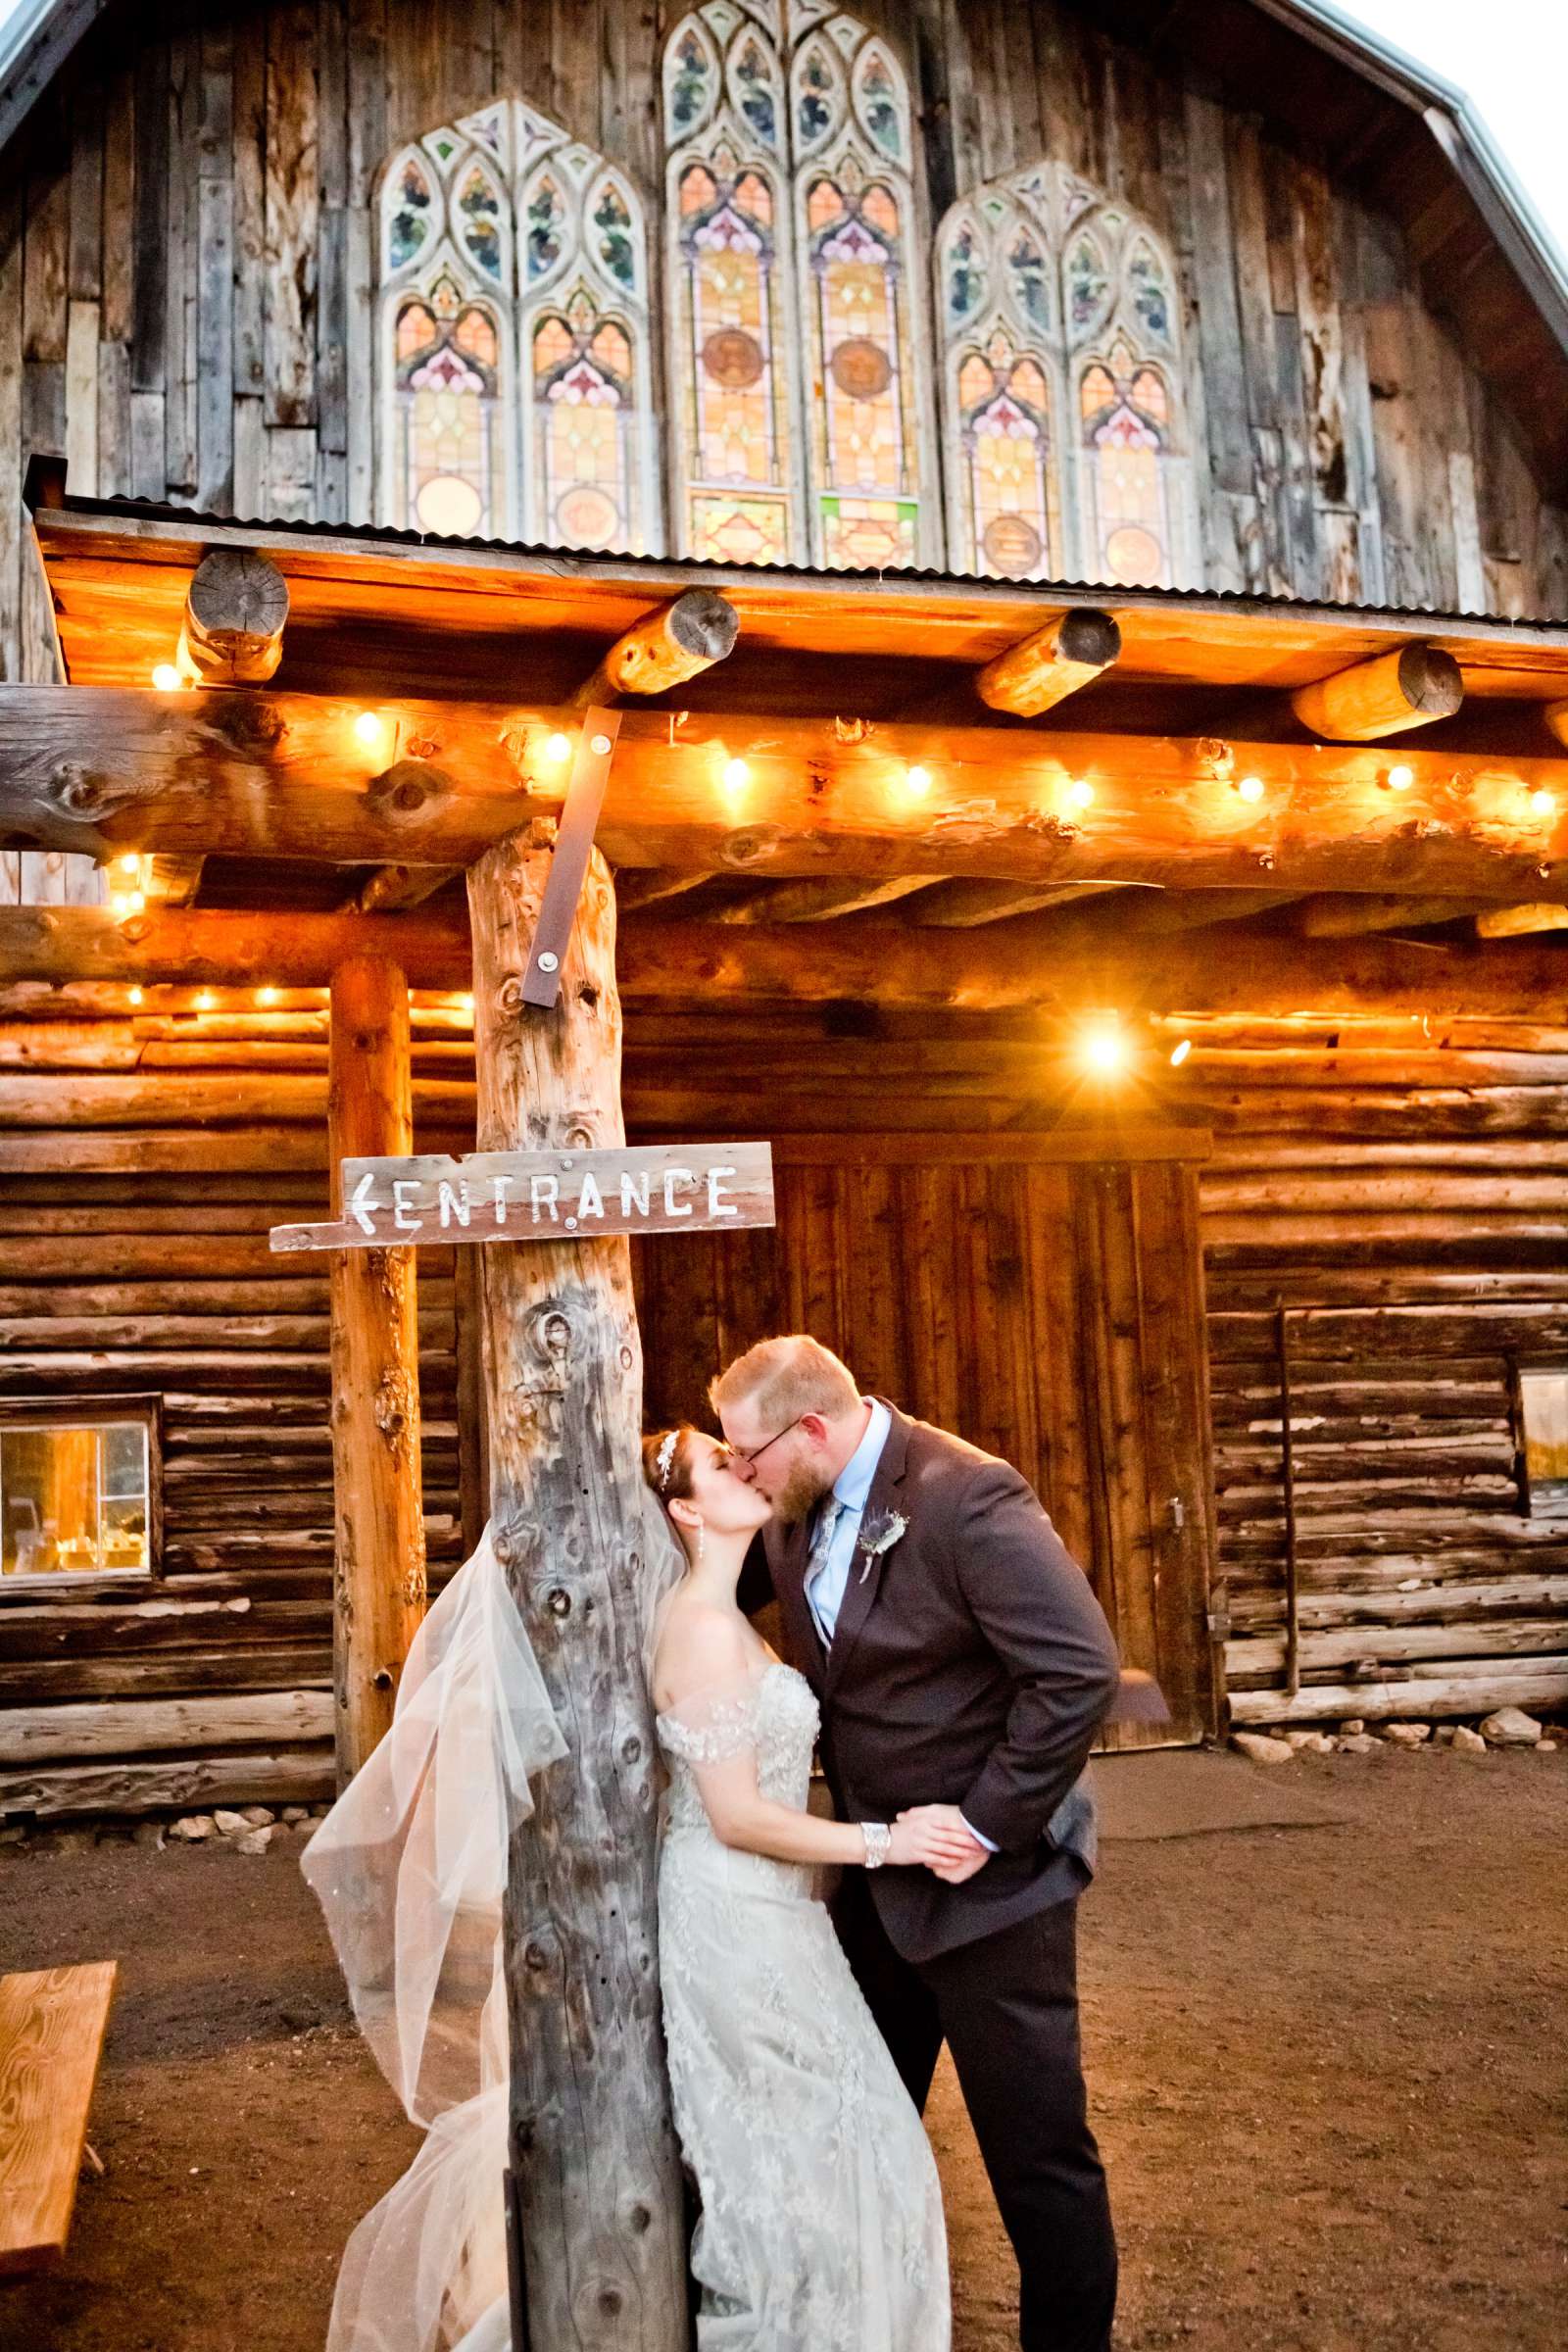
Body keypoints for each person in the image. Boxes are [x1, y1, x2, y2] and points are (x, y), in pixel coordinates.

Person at [710, 1335, 1128, 2352]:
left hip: (994, 1898)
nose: (743, 1477)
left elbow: (1077, 1671)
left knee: (1037, 2164)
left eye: (748, 1457)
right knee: (855, 2139)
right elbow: (720, 1599)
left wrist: (985, 1825)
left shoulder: (966, 1500)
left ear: (811, 1429)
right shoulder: (791, 1503)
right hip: (870, 1891)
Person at [641, 1421, 956, 2350]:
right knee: (790, 2171)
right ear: (686, 1511)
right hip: (731, 1920)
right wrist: (882, 1845)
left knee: (863, 2151)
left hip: (779, 1913)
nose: (745, 1470)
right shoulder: (698, 1628)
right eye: (720, 1466)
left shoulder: (730, 1615)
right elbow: (734, 1815)